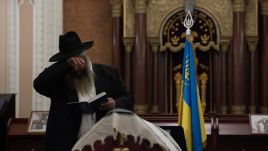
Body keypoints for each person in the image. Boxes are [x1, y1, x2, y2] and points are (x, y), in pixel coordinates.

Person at [33, 31, 132, 151]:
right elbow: (38, 84)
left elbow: (128, 99)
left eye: (77, 60)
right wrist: (65, 65)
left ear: (84, 56)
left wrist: (115, 103)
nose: (76, 67)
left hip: (103, 144)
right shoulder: (60, 80)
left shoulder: (109, 74)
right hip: (67, 146)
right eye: (71, 62)